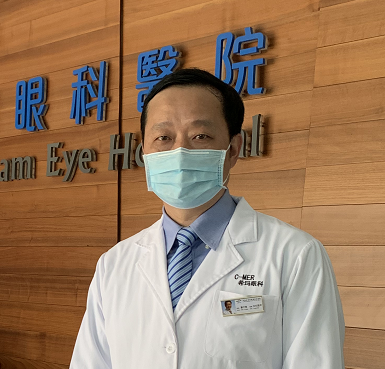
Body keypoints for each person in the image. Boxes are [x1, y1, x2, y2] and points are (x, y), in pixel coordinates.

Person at [69, 69, 345, 368]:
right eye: (163, 137)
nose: (179, 151)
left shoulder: (295, 254)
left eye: (200, 136)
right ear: (144, 152)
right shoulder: (114, 264)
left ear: (233, 149)